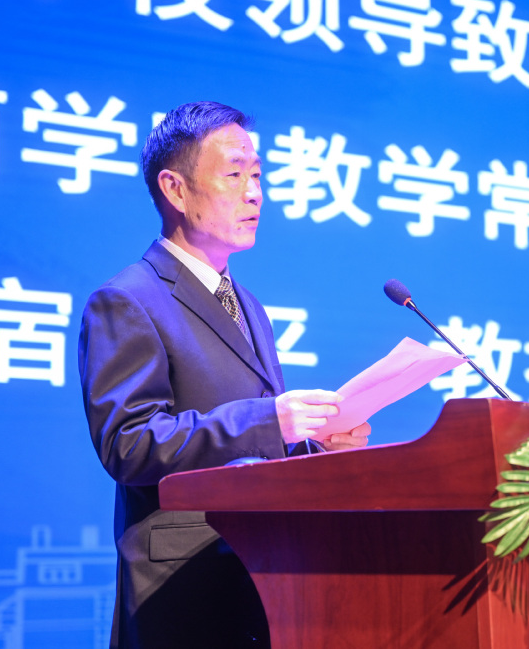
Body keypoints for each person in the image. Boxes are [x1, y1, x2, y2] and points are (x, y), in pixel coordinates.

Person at [78, 101, 371, 648]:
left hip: (263, 574)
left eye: (257, 175)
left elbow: (252, 451)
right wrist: (270, 421)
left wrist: (313, 445)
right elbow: (129, 444)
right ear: (175, 189)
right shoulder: (127, 300)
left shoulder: (248, 304)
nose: (255, 193)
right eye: (235, 175)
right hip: (183, 589)